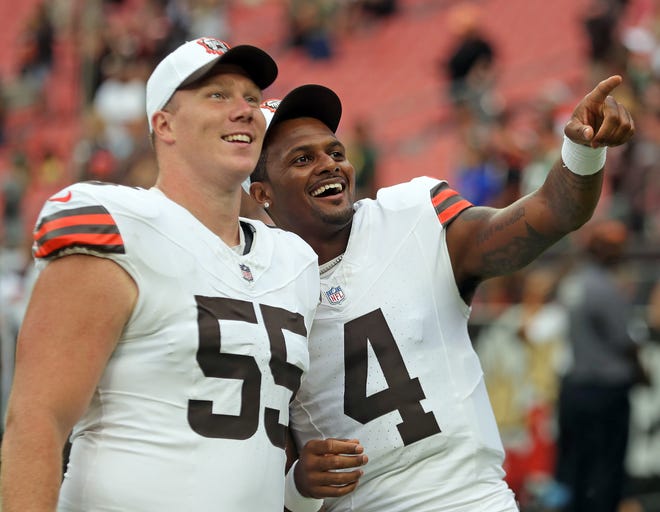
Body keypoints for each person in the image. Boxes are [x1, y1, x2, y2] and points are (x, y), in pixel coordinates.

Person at [248, 76, 634, 511]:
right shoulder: (254, 292)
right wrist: (298, 485)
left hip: (475, 500)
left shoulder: (414, 217)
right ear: (262, 193)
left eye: (335, 152)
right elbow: (256, 485)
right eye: (302, 158)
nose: (329, 164)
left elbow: (551, 212)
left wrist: (582, 150)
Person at [0, 37, 323, 512]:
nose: (244, 110)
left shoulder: (293, 259)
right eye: (218, 95)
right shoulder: (118, 223)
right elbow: (37, 421)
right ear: (165, 125)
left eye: (252, 98)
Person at [554, 219, 649, 512]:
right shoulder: (607, 288)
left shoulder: (573, 283)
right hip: (606, 390)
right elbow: (623, 340)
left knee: (574, 467)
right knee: (607, 468)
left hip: (574, 387)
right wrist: (643, 373)